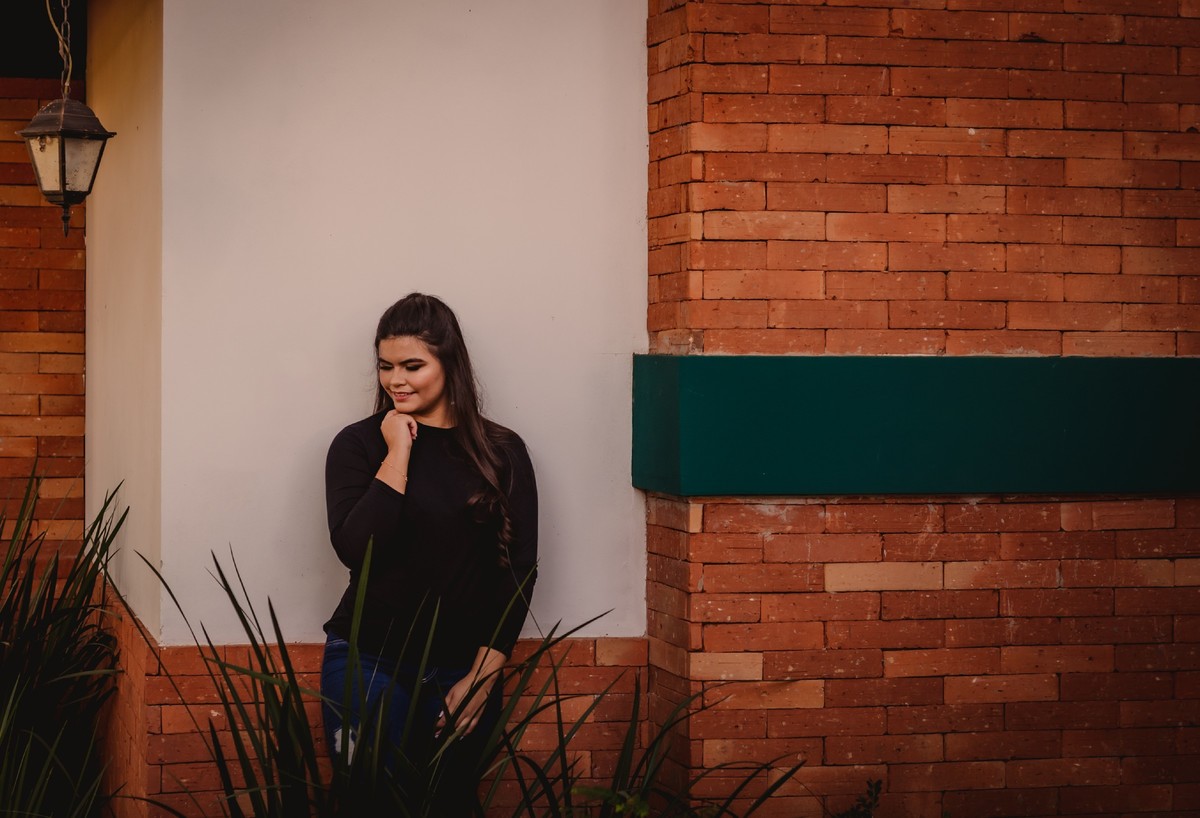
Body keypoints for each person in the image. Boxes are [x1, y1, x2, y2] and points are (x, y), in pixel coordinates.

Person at [319, 292, 538, 813]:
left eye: (413, 365)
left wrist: (483, 678)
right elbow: (358, 550)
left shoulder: (501, 451)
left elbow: (518, 571)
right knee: (370, 803)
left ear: (449, 362)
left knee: (449, 803)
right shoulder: (359, 446)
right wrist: (398, 451)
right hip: (368, 662)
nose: (396, 380)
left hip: (462, 671)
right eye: (386, 366)